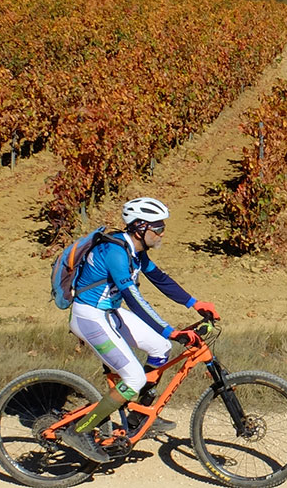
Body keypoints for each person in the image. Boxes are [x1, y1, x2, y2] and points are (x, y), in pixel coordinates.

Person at [59, 196, 219, 463]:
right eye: (157, 227)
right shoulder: (115, 253)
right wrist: (171, 330)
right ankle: (80, 431)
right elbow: (133, 298)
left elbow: (160, 279)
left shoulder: (136, 252)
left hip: (109, 313)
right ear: (139, 227)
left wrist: (195, 303)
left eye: (162, 226)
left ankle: (138, 416)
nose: (162, 232)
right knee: (134, 378)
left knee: (161, 348)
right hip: (89, 316)